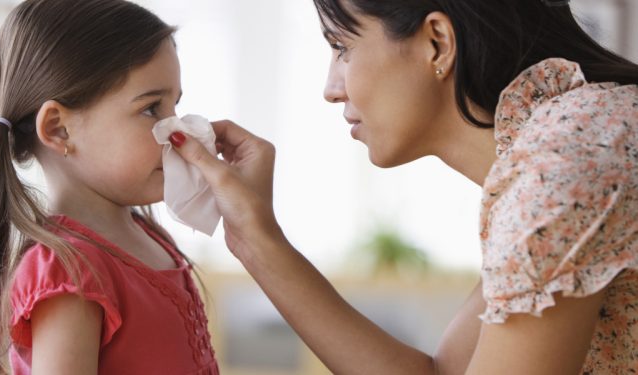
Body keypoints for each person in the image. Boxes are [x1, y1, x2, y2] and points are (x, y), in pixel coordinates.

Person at [166, 0, 638, 373]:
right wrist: (254, 238)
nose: (331, 88)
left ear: (436, 42)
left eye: (342, 47)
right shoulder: (569, 138)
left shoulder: (562, 163)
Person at [0, 1, 219, 374]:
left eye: (175, 105)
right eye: (151, 109)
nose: (177, 131)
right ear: (59, 129)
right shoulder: (69, 272)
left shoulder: (148, 236)